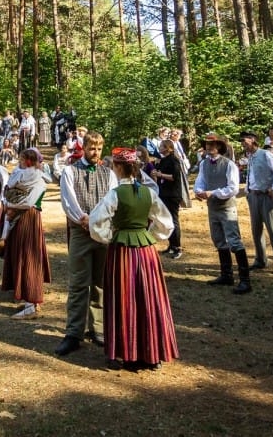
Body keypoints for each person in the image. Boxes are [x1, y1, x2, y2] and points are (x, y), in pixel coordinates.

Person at [89, 148, 178, 370]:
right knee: (149, 298)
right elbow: (166, 224)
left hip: (122, 252)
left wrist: (110, 237)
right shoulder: (149, 193)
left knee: (124, 298)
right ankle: (152, 353)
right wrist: (149, 235)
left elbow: (96, 223)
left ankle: (127, 351)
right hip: (147, 252)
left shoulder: (115, 194)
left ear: (118, 167)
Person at [55, 131, 117, 356]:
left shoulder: (108, 174)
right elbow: (67, 198)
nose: (96, 152)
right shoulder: (70, 172)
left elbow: (112, 198)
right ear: (84, 148)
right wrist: (82, 217)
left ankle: (98, 329)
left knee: (100, 283)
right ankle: (73, 333)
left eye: (99, 149)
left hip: (102, 232)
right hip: (81, 232)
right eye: (92, 148)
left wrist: (98, 221)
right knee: (79, 283)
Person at [194, 133, 252, 294]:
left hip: (226, 207)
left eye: (212, 144)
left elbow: (233, 188)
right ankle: (226, 275)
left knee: (234, 240)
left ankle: (245, 280)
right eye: (207, 144)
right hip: (212, 207)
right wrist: (199, 191)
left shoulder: (229, 164)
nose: (209, 147)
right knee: (218, 239)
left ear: (219, 146)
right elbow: (200, 181)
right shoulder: (204, 164)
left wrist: (212, 192)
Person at [1, 148, 51, 321]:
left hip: (28, 219)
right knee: (20, 256)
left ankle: (32, 304)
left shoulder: (37, 179)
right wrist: (9, 202)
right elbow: (9, 188)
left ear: (28, 161)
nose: (20, 162)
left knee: (29, 258)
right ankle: (28, 298)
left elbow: (29, 202)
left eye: (23, 159)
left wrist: (11, 204)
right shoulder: (20, 175)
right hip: (20, 219)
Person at [240, 131, 273, 274]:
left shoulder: (265, 154)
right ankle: (260, 260)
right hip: (253, 196)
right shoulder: (250, 157)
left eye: (244, 140)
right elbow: (252, 175)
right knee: (256, 230)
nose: (242, 143)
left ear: (253, 140)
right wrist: (248, 191)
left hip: (266, 196)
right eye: (241, 141)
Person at [151, 139, 186, 259]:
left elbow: (174, 177)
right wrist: (156, 172)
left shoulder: (174, 160)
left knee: (174, 220)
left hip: (172, 194)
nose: (159, 148)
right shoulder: (162, 160)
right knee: (167, 220)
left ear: (168, 148)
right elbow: (159, 172)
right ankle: (171, 245)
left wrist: (160, 175)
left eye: (161, 146)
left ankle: (178, 247)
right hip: (164, 193)